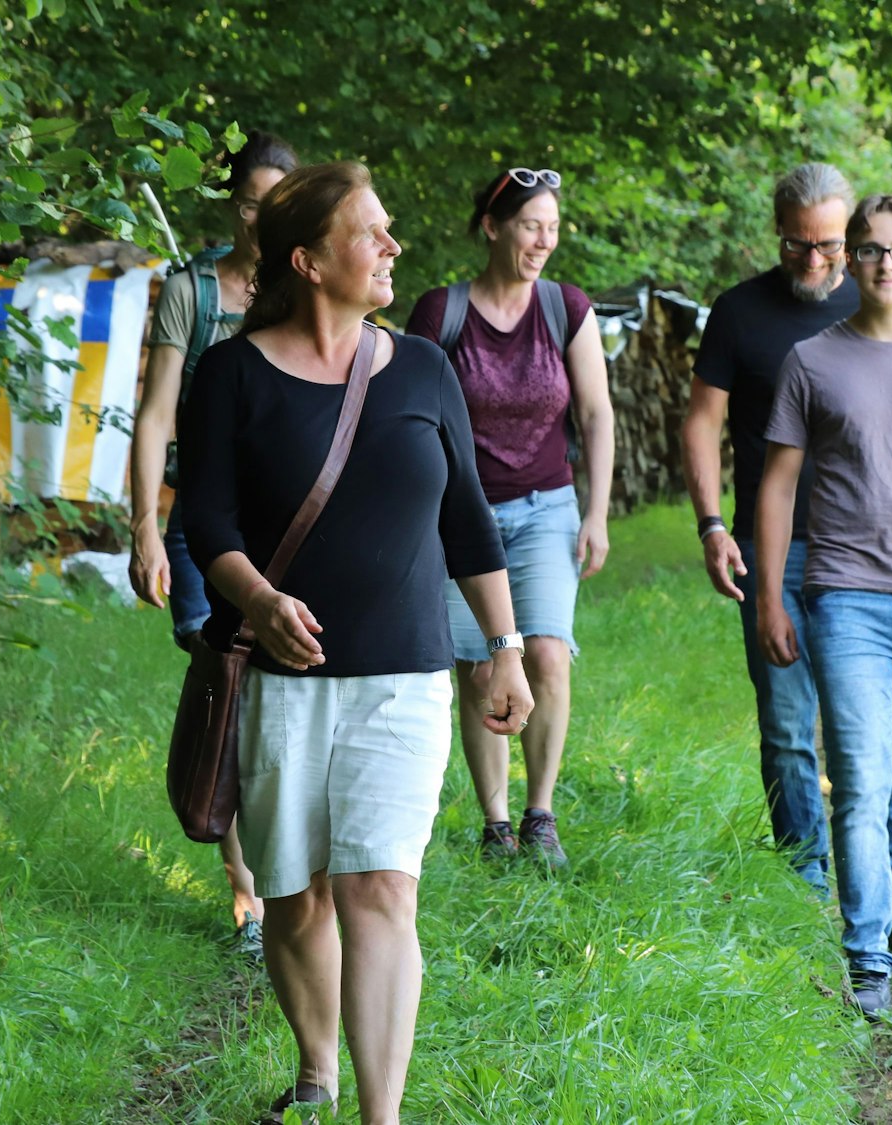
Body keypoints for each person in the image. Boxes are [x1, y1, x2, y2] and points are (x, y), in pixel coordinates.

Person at [178, 161, 535, 1125]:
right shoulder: (230, 375)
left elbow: (467, 516)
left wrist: (504, 643)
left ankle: (380, 1115)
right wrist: (257, 600)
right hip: (281, 681)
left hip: (406, 676)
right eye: (370, 232)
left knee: (381, 887)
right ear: (308, 260)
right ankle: (317, 1070)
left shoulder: (420, 366)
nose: (393, 246)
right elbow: (206, 520)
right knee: (298, 898)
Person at [753, 193, 892, 1019]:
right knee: (864, 776)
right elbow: (776, 487)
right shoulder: (812, 360)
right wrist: (771, 595)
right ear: (848, 257)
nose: (885, 263)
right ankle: (868, 954)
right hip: (845, 597)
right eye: (870, 249)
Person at [404, 167, 614, 870]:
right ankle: (495, 821)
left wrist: (598, 512)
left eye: (552, 227)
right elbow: (410, 420)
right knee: (478, 665)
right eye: (531, 225)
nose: (544, 240)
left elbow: (596, 412)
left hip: (547, 509)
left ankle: (539, 813)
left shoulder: (565, 308)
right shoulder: (441, 313)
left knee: (546, 652)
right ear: (492, 227)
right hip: (461, 519)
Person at [128, 131, 299, 961]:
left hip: (290, 523)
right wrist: (145, 529)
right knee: (226, 692)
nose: (275, 220)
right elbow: (156, 412)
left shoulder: (309, 286)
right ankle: (251, 894)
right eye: (264, 206)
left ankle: (296, 872)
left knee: (286, 694)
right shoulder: (190, 291)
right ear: (239, 210)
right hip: (203, 523)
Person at [681, 163, 861, 893]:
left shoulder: (875, 299)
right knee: (788, 721)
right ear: (776, 232)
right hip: (772, 544)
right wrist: (711, 524)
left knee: (861, 720)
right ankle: (802, 876)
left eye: (829, 245)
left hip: (865, 545)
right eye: (796, 245)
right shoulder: (739, 311)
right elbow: (701, 420)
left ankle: (868, 869)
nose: (813, 262)